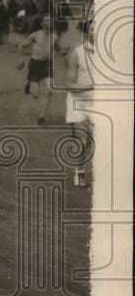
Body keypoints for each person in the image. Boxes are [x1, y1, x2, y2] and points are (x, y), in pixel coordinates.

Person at [65, 19, 96, 187]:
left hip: (97, 103)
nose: (95, 32)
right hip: (77, 102)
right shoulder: (77, 53)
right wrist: (92, 87)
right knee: (84, 140)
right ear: (86, 32)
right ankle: (79, 171)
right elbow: (70, 85)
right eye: (92, 29)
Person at [17, 13, 59, 125]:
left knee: (49, 90)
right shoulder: (35, 35)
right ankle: (29, 83)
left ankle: (42, 116)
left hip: (47, 65)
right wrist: (21, 59)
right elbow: (21, 46)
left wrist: (67, 52)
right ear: (42, 23)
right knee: (35, 94)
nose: (50, 23)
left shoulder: (55, 37)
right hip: (35, 64)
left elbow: (59, 49)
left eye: (51, 21)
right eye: (47, 20)